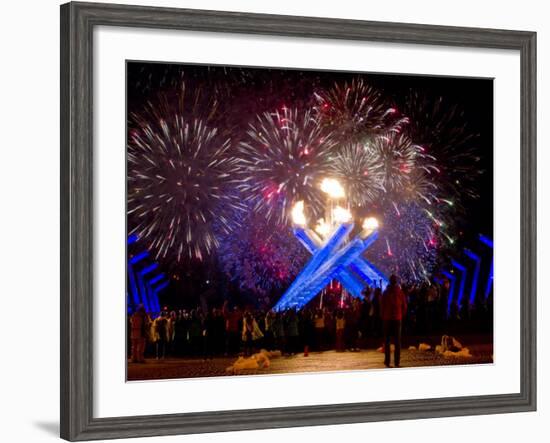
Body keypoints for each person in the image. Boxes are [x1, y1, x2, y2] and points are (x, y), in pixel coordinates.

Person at [380, 274, 408, 368]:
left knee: (387, 341)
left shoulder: (385, 293)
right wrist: (400, 315)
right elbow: (404, 306)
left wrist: (383, 316)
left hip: (387, 319)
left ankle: (387, 362)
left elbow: (382, 306)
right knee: (397, 342)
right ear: (396, 282)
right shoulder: (400, 292)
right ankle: (397, 362)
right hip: (397, 319)